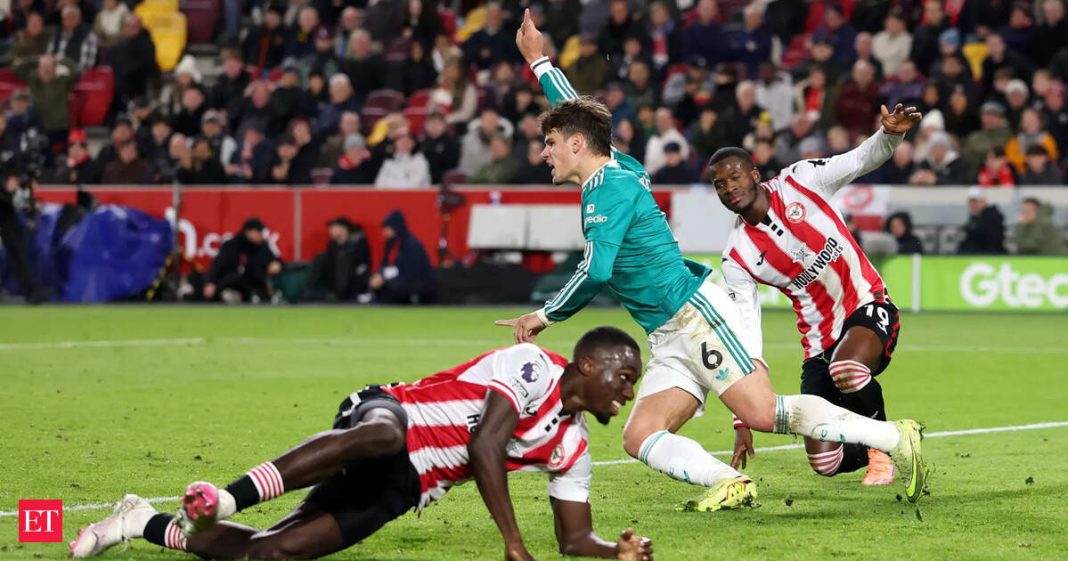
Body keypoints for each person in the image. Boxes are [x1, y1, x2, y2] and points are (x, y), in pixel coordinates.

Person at [499, 10, 929, 511]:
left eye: (550, 143)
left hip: (694, 315)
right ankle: (730, 482)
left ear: (576, 145)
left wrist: (543, 315)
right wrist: (539, 62)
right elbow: (577, 117)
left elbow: (595, 270)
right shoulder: (620, 166)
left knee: (764, 413)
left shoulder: (606, 190)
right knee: (640, 435)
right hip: (667, 333)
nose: (544, 152)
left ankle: (892, 437)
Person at [69, 328, 655, 561]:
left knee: (271, 554)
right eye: (624, 377)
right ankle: (225, 499)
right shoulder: (533, 367)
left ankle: (140, 521)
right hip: (391, 413)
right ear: (587, 364)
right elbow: (485, 445)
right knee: (383, 435)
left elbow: (574, 539)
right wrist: (513, 544)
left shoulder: (573, 450)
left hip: (406, 487)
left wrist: (615, 553)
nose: (628, 393)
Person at [709, 103, 920, 488]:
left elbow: (860, 159)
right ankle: (883, 438)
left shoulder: (801, 180)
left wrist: (890, 135)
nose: (729, 188)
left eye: (735, 177)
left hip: (867, 304)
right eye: (720, 185)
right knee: (826, 462)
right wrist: (742, 418)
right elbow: (747, 334)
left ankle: (884, 448)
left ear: (754, 175)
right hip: (819, 342)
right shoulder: (737, 256)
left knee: (847, 368)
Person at [204, 218, 283, 303]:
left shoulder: (262, 247)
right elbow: (217, 265)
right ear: (248, 232)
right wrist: (210, 282)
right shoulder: (230, 246)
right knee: (234, 280)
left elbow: (275, 260)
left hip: (254, 288)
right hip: (229, 285)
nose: (261, 235)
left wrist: (276, 263)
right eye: (258, 232)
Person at [370, 210, 435, 304]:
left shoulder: (411, 244)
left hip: (417, 283)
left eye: (387, 228)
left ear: (395, 227)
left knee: (392, 289)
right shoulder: (391, 244)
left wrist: (385, 279)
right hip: (399, 280)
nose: (384, 232)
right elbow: (385, 264)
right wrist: (379, 275)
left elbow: (411, 272)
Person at [303, 217, 372, 302]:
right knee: (321, 257)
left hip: (354, 282)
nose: (330, 231)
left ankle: (340, 296)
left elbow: (361, 267)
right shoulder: (332, 245)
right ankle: (310, 292)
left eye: (334, 228)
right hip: (334, 283)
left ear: (344, 229)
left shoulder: (359, 244)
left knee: (343, 259)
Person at [958, 187, 1007, 255]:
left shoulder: (992, 218)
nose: (972, 205)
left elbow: (991, 243)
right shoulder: (974, 218)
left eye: (975, 202)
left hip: (988, 256)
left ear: (984, 201)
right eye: (971, 202)